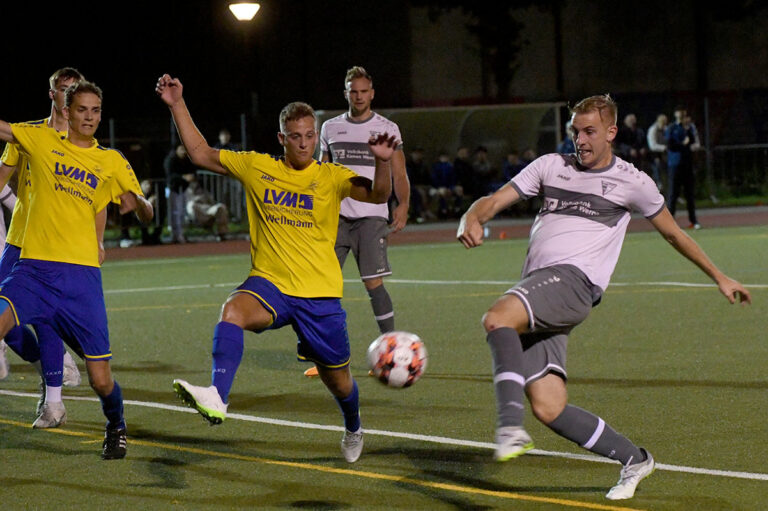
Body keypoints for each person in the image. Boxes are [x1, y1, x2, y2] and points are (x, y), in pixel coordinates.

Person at [457, 94, 750, 500]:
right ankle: (635, 459)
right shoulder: (550, 166)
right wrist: (470, 217)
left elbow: (673, 233)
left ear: (611, 132)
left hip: (574, 283)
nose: (581, 139)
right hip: (543, 288)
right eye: (575, 131)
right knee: (549, 406)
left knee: (497, 318)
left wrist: (719, 276)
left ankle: (509, 424)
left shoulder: (633, 181)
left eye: (590, 131)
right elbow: (493, 202)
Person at [156, 73, 396, 463]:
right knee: (232, 310)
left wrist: (382, 163)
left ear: (316, 136)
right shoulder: (256, 167)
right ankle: (218, 395)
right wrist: (176, 104)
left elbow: (379, 193)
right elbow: (200, 153)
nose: (304, 143)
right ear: (281, 138)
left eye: (309, 135)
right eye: (295, 136)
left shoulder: (330, 176)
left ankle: (353, 426)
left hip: (319, 295)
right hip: (271, 285)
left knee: (339, 382)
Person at [0, 80, 153, 459]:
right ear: (66, 111)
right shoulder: (40, 139)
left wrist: (143, 206)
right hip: (34, 271)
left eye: (95, 111)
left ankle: (116, 424)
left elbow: (139, 207)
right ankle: (52, 394)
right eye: (82, 109)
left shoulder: (111, 161)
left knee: (101, 380)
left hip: (81, 280)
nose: (89, 117)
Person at [0, 68, 86, 423]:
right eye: (63, 90)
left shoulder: (84, 144)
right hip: (19, 241)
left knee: (47, 320)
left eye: (75, 92)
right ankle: (49, 363)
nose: (69, 98)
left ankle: (53, 403)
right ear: (52, 94)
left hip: (57, 247)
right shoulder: (27, 135)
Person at [313, 65, 409, 378]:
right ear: (346, 93)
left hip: (371, 216)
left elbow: (399, 173)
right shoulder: (328, 128)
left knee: (373, 283)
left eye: (363, 91)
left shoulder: (387, 128)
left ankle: (390, 350)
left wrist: (403, 203)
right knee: (322, 285)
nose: (358, 96)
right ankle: (323, 356)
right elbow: (321, 172)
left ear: (372, 93)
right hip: (336, 217)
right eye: (353, 91)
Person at [665, 106, 699, 229]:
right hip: (675, 164)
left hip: (687, 163)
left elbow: (693, 141)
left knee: (689, 194)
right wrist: (682, 144)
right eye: (679, 111)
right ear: (675, 114)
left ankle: (694, 221)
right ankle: (669, 223)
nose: (681, 114)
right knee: (673, 193)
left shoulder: (688, 128)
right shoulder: (672, 128)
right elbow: (670, 145)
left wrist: (688, 133)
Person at [163, 144, 196, 243]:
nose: (183, 151)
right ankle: (175, 234)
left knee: (182, 212)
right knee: (175, 212)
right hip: (173, 189)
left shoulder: (187, 160)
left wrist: (191, 177)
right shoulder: (170, 160)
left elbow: (193, 171)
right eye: (181, 149)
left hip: (184, 189)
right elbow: (170, 175)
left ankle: (180, 234)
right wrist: (183, 177)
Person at [184, 173, 230, 239]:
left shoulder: (204, 191)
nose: (195, 184)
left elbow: (212, 202)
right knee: (192, 205)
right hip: (197, 212)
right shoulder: (186, 191)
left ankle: (222, 233)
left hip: (208, 210)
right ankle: (202, 223)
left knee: (221, 207)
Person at [646, 114, 667, 190]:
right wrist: (665, 147)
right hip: (653, 154)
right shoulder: (653, 129)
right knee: (657, 169)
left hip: (663, 154)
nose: (664, 124)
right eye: (663, 122)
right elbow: (652, 146)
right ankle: (657, 187)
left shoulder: (664, 129)